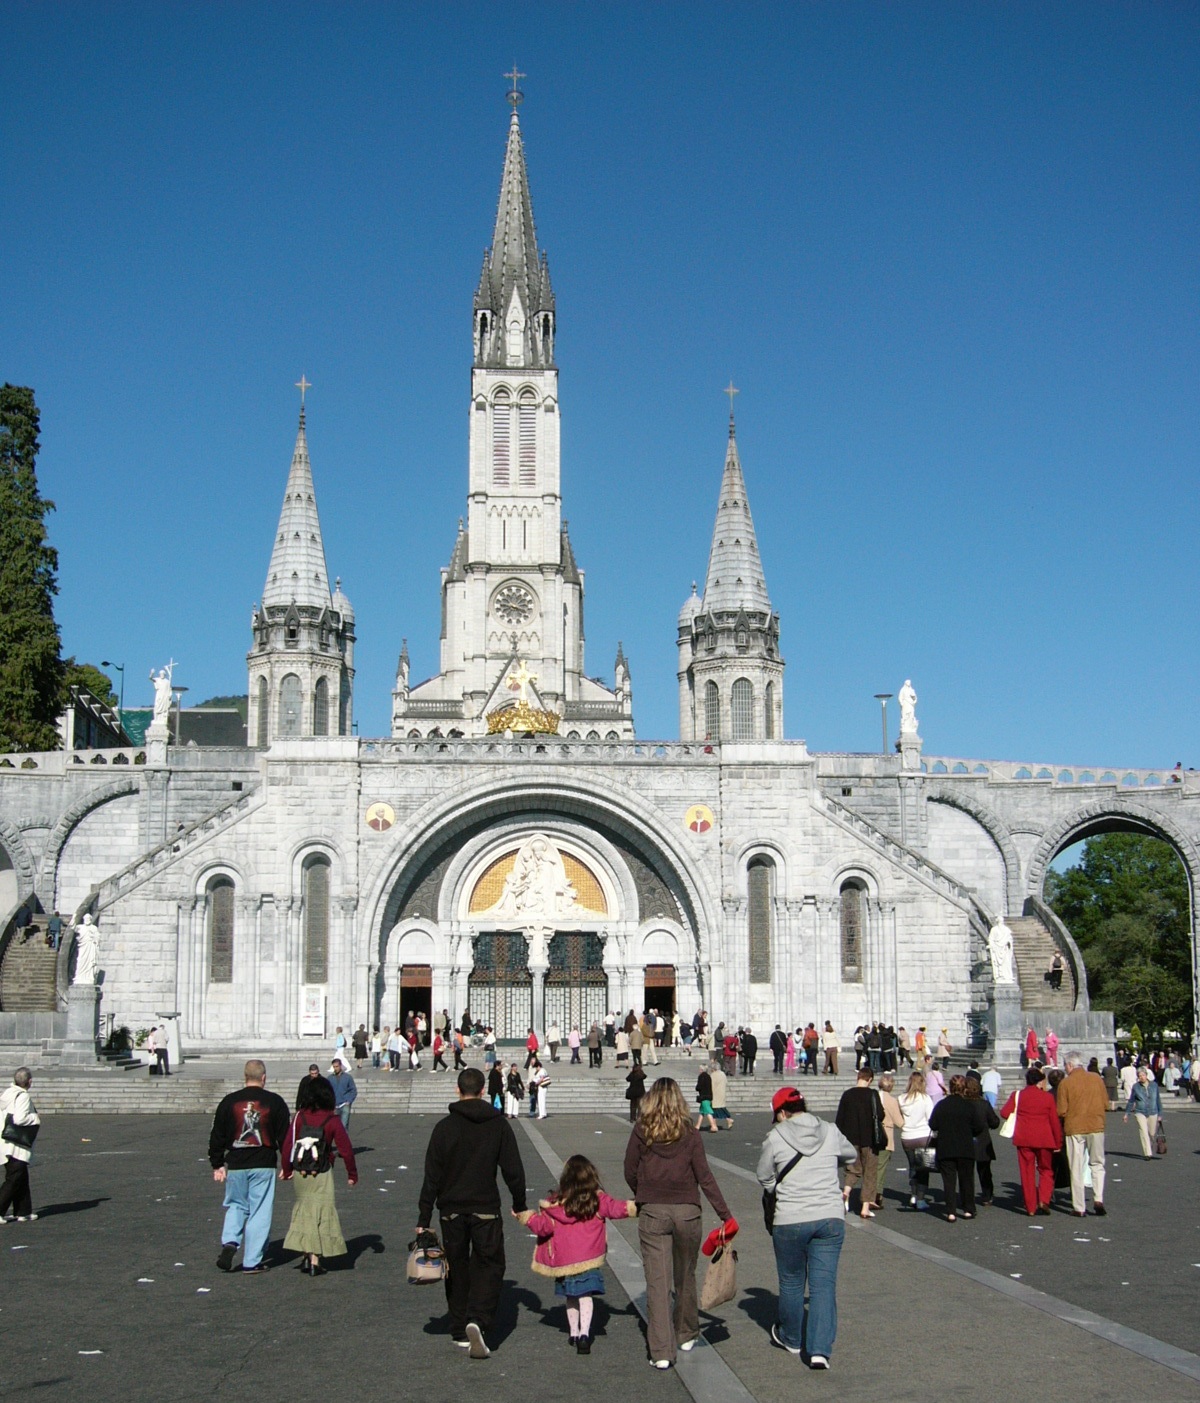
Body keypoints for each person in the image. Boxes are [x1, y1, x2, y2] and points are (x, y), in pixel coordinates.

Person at [416, 1067, 528, 1358]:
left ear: (457, 1090)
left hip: (450, 1209)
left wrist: (423, 1218)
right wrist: (519, 1203)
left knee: (456, 1266)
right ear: (483, 1092)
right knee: (490, 1264)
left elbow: (431, 1176)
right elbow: (513, 1169)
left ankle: (458, 1327)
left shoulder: (444, 1127)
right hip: (485, 1208)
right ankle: (477, 1318)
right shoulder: (498, 1124)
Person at [624, 1078, 733, 1370]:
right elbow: (704, 1176)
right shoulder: (690, 1133)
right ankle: (686, 1332)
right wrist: (725, 1214)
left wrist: (643, 1194)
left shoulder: (642, 1130)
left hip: (653, 1211)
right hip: (687, 1210)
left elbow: (629, 1169)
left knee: (658, 1282)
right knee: (685, 1275)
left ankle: (661, 1350)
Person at [757, 1087, 856, 1369]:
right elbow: (851, 1156)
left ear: (781, 1113)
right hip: (829, 1215)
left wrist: (776, 1188)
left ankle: (791, 1337)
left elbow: (763, 1175)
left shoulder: (776, 1136)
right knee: (823, 1285)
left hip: (790, 1217)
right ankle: (819, 1350)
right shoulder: (829, 1130)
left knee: (791, 1281)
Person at [516, 1154, 636, 1354]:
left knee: (571, 1297)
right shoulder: (597, 1200)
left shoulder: (555, 1204)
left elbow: (543, 1227)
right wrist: (636, 1206)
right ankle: (584, 1334)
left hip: (565, 1261)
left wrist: (525, 1217)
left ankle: (573, 1332)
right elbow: (618, 1209)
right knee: (585, 1296)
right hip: (588, 1260)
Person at [208, 1059, 290, 1273]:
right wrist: (287, 1163)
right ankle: (252, 1260)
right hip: (263, 1161)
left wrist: (217, 1163)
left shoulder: (229, 1102)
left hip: (236, 1162)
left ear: (244, 1077)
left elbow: (217, 1135)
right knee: (259, 1211)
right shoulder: (275, 1101)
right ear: (264, 1077)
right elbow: (285, 1136)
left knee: (236, 1205)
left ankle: (230, 1242)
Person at [281, 1073, 358, 1275]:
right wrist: (352, 1174)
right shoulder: (331, 1120)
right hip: (322, 1172)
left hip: (300, 1172)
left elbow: (288, 1145)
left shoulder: (299, 1117)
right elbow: (346, 1149)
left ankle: (307, 1254)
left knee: (305, 1210)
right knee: (321, 1212)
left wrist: (287, 1169)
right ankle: (315, 1259)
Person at [999, 1068, 1063, 1216]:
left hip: (1024, 1138)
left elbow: (1004, 1113)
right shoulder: (1047, 1098)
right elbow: (1054, 1122)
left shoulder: (1018, 1095)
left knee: (1027, 1172)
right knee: (1046, 1170)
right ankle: (1044, 1199)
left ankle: (1030, 1206)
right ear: (1040, 1081)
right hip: (1044, 1138)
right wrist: (1058, 1142)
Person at [928, 1075, 989, 1221]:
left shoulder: (942, 1105)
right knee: (966, 1179)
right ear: (964, 1088)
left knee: (949, 1181)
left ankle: (950, 1211)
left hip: (946, 1146)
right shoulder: (969, 1106)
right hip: (965, 1147)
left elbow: (933, 1124)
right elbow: (979, 1126)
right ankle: (968, 1209)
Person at [1057, 1051, 1109, 1215]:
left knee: (1076, 1167)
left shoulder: (1065, 1083)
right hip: (1096, 1125)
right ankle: (1098, 1198)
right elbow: (1106, 1103)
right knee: (1097, 1163)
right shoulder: (1096, 1079)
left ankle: (1079, 1207)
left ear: (1070, 1065)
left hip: (1075, 1128)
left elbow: (1061, 1111)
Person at [835, 1067, 885, 1219]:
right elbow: (880, 1115)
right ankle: (865, 1207)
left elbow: (839, 1120)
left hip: (850, 1139)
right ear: (870, 1080)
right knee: (870, 1171)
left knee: (852, 1169)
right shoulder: (873, 1094)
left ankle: (846, 1192)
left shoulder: (847, 1094)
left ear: (858, 1077)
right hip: (869, 1139)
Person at [0, 1067, 40, 1222]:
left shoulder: (8, 1093)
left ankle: (23, 1211)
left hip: (5, 1141)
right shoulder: (22, 1096)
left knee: (21, 1177)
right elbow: (19, 1119)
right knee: (14, 1178)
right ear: (29, 1081)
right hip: (15, 1144)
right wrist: (35, 1118)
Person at [897, 1070, 934, 1210]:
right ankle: (921, 1198)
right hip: (923, 1136)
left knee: (912, 1166)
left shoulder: (901, 1098)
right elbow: (930, 1118)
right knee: (924, 1168)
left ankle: (912, 1194)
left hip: (907, 1136)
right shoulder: (925, 1098)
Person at [963, 1076, 1000, 1205]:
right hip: (982, 1140)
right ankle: (987, 1195)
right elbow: (995, 1122)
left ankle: (967, 1196)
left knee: (967, 1172)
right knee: (984, 1171)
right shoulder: (983, 1104)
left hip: (965, 1140)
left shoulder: (962, 1103)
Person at [874, 1073, 905, 1210]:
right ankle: (876, 1194)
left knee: (870, 1166)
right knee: (880, 1167)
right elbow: (900, 1122)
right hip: (885, 1136)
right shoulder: (891, 1101)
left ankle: (868, 1191)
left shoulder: (872, 1097)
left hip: (870, 1135)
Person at [1124, 1066, 1163, 1160]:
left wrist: (1160, 1114)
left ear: (1146, 1075)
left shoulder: (1154, 1085)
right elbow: (1131, 1100)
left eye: (1143, 1075)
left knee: (1152, 1133)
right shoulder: (1136, 1087)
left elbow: (1158, 1100)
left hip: (1153, 1111)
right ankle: (1147, 1153)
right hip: (1140, 1112)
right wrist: (1127, 1113)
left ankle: (1151, 1147)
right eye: (1139, 1075)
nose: (1141, 1077)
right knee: (1143, 1131)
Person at [327, 1058, 357, 1132]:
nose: (335, 1068)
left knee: (344, 1126)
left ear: (340, 1066)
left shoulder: (348, 1077)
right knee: (335, 1127)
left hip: (345, 1104)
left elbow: (353, 1090)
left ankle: (344, 1142)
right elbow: (327, 1092)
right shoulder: (330, 1078)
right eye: (334, 1067)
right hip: (334, 1105)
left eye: (337, 1066)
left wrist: (349, 1101)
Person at [709, 1057, 734, 1130]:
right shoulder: (723, 1074)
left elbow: (711, 1085)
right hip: (721, 1093)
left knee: (713, 1110)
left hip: (715, 1094)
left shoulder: (713, 1075)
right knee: (720, 1109)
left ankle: (714, 1125)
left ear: (713, 1068)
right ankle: (717, 1124)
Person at [694, 1064, 717, 1132]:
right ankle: (697, 1126)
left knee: (708, 1111)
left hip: (704, 1096)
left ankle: (713, 1126)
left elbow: (699, 1087)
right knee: (702, 1111)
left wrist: (697, 1088)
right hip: (709, 1095)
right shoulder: (708, 1076)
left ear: (701, 1069)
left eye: (699, 1069)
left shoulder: (701, 1076)